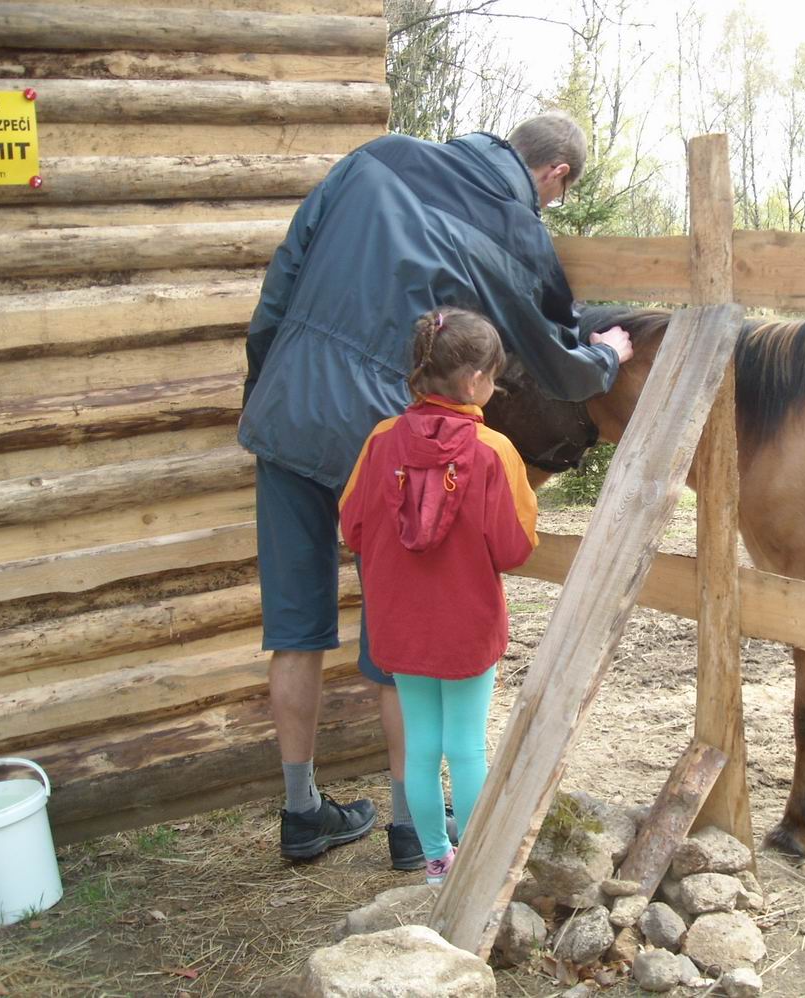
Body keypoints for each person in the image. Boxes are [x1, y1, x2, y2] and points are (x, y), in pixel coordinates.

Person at [238, 110, 633, 864]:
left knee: (294, 626)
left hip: (287, 414)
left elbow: (283, 278)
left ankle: (299, 812)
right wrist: (606, 360)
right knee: (398, 639)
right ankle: (407, 828)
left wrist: (269, 385)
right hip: (382, 439)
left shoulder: (376, 157)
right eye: (554, 198)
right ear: (555, 174)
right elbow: (551, 349)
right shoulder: (510, 223)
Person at [339, 307, 536, 883]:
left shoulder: (379, 442)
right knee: (467, 747)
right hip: (467, 623)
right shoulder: (494, 451)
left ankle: (435, 862)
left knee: (422, 746)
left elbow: (350, 525)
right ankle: (474, 867)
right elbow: (515, 546)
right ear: (475, 383)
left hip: (399, 622)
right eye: (494, 378)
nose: (494, 389)